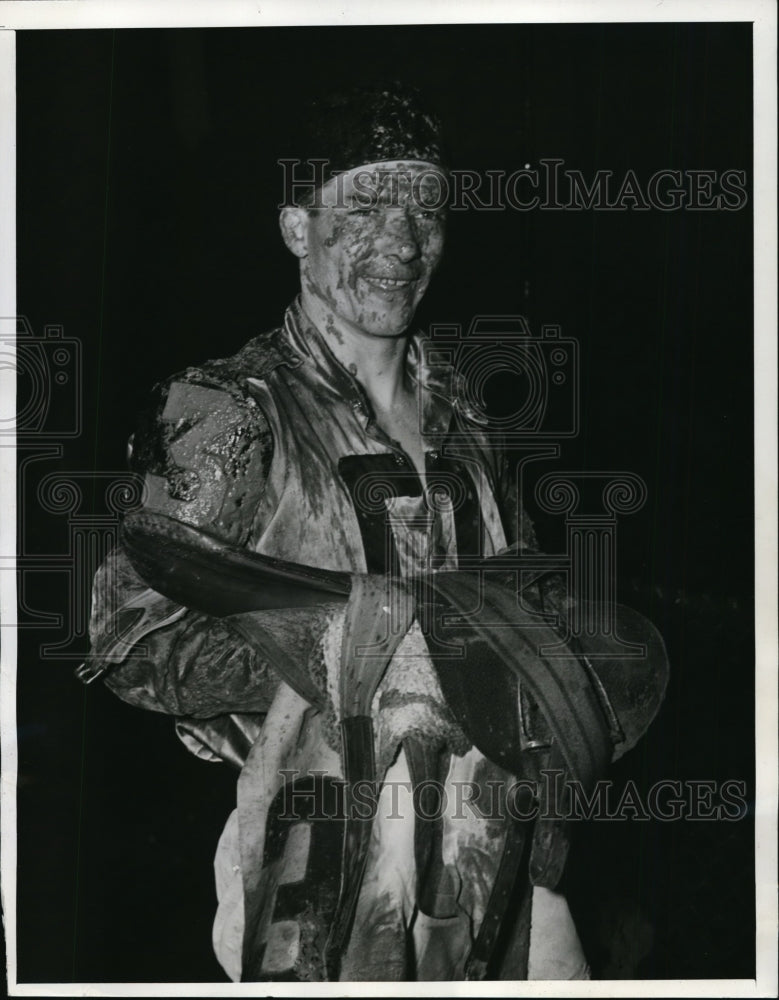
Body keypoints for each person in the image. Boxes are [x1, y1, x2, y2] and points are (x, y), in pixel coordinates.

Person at [83, 85, 665, 982]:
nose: (399, 242)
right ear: (294, 228)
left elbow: (526, 612)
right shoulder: (227, 409)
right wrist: (340, 648)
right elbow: (127, 642)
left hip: (498, 833)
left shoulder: (468, 410)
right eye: (361, 210)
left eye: (424, 210)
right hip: (311, 847)